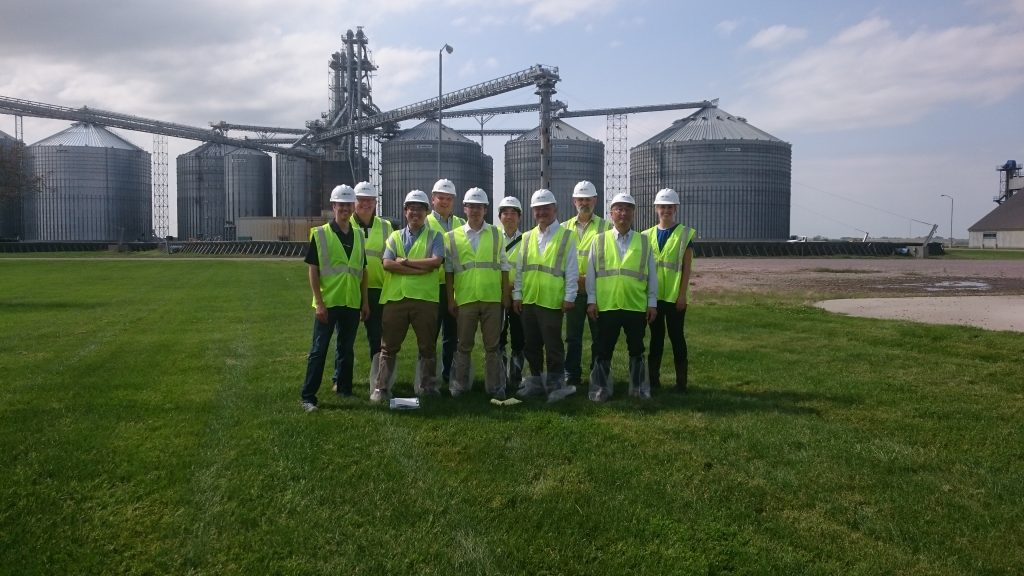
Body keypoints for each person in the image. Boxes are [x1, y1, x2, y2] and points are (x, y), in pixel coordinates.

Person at [300, 184, 369, 412]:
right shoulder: (321, 234)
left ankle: (344, 388)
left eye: (349, 205)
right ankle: (308, 396)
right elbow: (313, 269)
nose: (345, 209)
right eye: (341, 205)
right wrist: (318, 302)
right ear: (333, 206)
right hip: (328, 303)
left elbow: (363, 270)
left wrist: (365, 302)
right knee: (319, 350)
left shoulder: (359, 234)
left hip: (351, 301)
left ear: (353, 207)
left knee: (346, 348)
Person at [372, 190, 445, 402]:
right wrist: (418, 269)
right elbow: (387, 264)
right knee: (389, 346)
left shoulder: (435, 236)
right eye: (411, 208)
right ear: (405, 212)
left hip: (425, 300)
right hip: (396, 299)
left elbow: (436, 262)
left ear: (426, 212)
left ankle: (428, 386)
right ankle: (382, 388)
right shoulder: (394, 236)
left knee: (427, 345)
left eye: (420, 209)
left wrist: (404, 262)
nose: (415, 212)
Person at [586, 192, 657, 401]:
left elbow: (652, 275)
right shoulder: (599, 241)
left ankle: (638, 388)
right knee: (603, 348)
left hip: (635, 305)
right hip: (607, 305)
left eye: (627, 209)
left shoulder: (644, 242)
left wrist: (651, 302)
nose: (623, 213)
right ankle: (600, 389)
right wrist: (591, 300)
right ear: (611, 213)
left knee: (636, 348)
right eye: (618, 209)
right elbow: (591, 273)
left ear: (633, 213)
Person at [512, 189, 578, 401]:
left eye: (546, 208)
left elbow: (571, 269)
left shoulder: (566, 236)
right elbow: (520, 269)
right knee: (531, 345)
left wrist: (570, 296)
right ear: (533, 212)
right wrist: (517, 294)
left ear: (554, 209)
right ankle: (536, 381)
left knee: (553, 346)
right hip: (529, 299)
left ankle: (556, 384)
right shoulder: (528, 236)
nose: (542, 212)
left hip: (552, 300)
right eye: (537, 209)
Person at [445, 187, 511, 399]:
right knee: (463, 345)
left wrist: (505, 295)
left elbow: (503, 266)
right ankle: (460, 385)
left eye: (479, 207)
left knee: (493, 346)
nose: (475, 210)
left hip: (492, 298)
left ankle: (495, 386)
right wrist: (450, 299)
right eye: (471, 206)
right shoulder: (452, 237)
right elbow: (448, 272)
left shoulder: (495, 233)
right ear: (464, 209)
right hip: (465, 299)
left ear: (486, 209)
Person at [338, 181, 394, 394]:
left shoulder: (386, 226)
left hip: (378, 288)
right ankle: (340, 379)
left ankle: (377, 381)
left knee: (376, 338)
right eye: (361, 200)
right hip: (350, 287)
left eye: (369, 200)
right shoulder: (345, 224)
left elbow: (391, 255)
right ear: (354, 203)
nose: (365, 204)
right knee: (346, 338)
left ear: (375, 203)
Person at [643, 188, 696, 393]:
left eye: (669, 207)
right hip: (655, 297)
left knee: (676, 337)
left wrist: (682, 295)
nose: (666, 210)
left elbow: (686, 268)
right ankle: (653, 380)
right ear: (656, 208)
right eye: (662, 206)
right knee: (656, 338)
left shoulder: (684, 234)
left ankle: (681, 383)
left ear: (676, 208)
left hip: (675, 297)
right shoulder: (646, 235)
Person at [563, 180, 608, 389]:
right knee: (573, 338)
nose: (584, 203)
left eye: (588, 199)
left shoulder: (606, 227)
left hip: (596, 292)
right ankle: (571, 375)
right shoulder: (563, 228)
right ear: (574, 201)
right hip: (572, 292)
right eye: (580, 199)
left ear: (595, 201)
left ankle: (597, 375)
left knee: (599, 337)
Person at [426, 178, 465, 387]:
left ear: (454, 201)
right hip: (432, 286)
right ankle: (429, 378)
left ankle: (448, 375)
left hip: (454, 287)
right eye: (441, 197)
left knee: (452, 335)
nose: (445, 201)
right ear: (433, 199)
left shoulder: (460, 223)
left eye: (449, 198)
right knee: (429, 335)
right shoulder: (425, 222)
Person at [497, 196, 525, 392]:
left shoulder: (527, 240)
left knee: (519, 337)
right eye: (505, 213)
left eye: (513, 213)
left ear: (520, 217)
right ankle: (499, 376)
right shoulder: (493, 237)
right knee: (498, 337)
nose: (509, 216)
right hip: (497, 295)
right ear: (499, 217)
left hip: (518, 295)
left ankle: (515, 377)